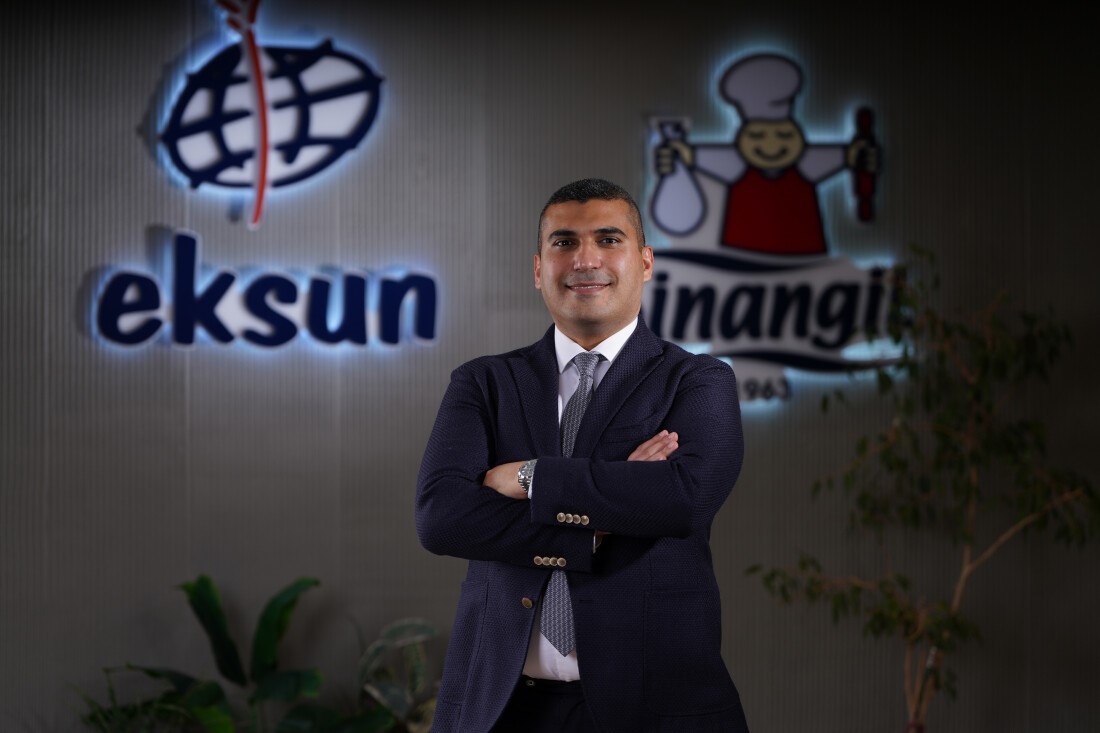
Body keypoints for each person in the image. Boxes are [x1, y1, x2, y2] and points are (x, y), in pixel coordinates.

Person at [416, 178, 749, 732]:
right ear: (538, 268)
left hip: (654, 709)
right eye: (564, 242)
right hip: (502, 710)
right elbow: (441, 518)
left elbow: (683, 501)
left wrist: (530, 477)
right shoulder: (484, 382)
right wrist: (600, 523)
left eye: (608, 240)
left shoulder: (698, 380)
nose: (585, 259)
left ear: (645, 262)